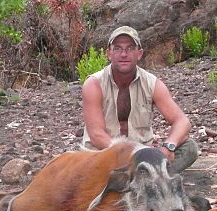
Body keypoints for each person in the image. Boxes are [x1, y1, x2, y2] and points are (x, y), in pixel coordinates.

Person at [82, 25, 198, 173]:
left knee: (190, 148)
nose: (124, 54)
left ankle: (142, 179)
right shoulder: (93, 84)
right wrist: (132, 155)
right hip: (104, 156)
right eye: (117, 48)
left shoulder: (152, 83)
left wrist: (169, 146)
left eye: (130, 48)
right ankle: (151, 179)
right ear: (109, 53)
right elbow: (96, 135)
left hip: (141, 159)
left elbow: (182, 121)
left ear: (139, 53)